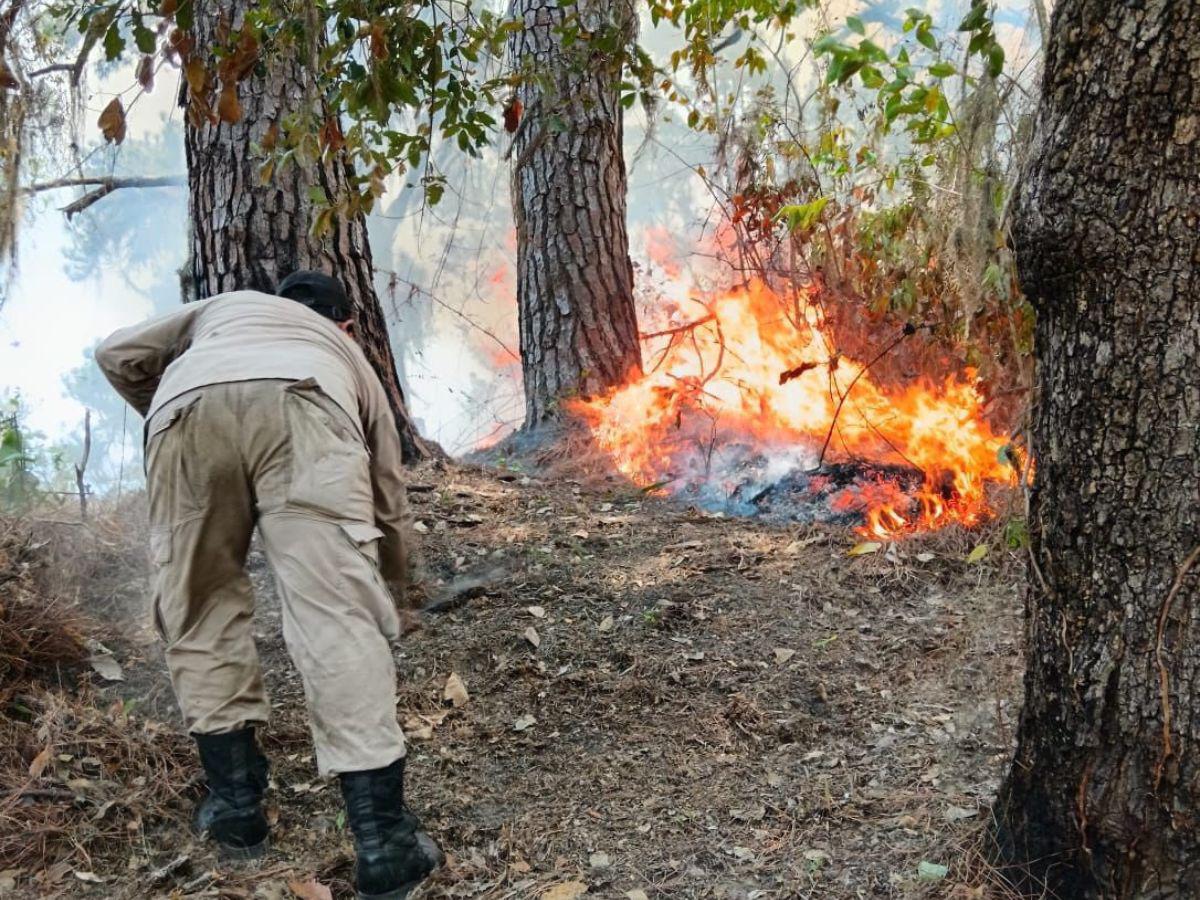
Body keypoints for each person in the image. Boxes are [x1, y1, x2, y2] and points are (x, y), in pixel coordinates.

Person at [95, 271, 442, 900]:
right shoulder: (346, 355)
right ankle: (383, 845)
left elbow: (117, 354)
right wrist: (394, 580)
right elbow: (387, 484)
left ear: (277, 303)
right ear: (347, 323)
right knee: (336, 620)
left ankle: (236, 812)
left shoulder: (225, 308)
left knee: (198, 611)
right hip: (306, 412)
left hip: (186, 410)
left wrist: (181, 410)